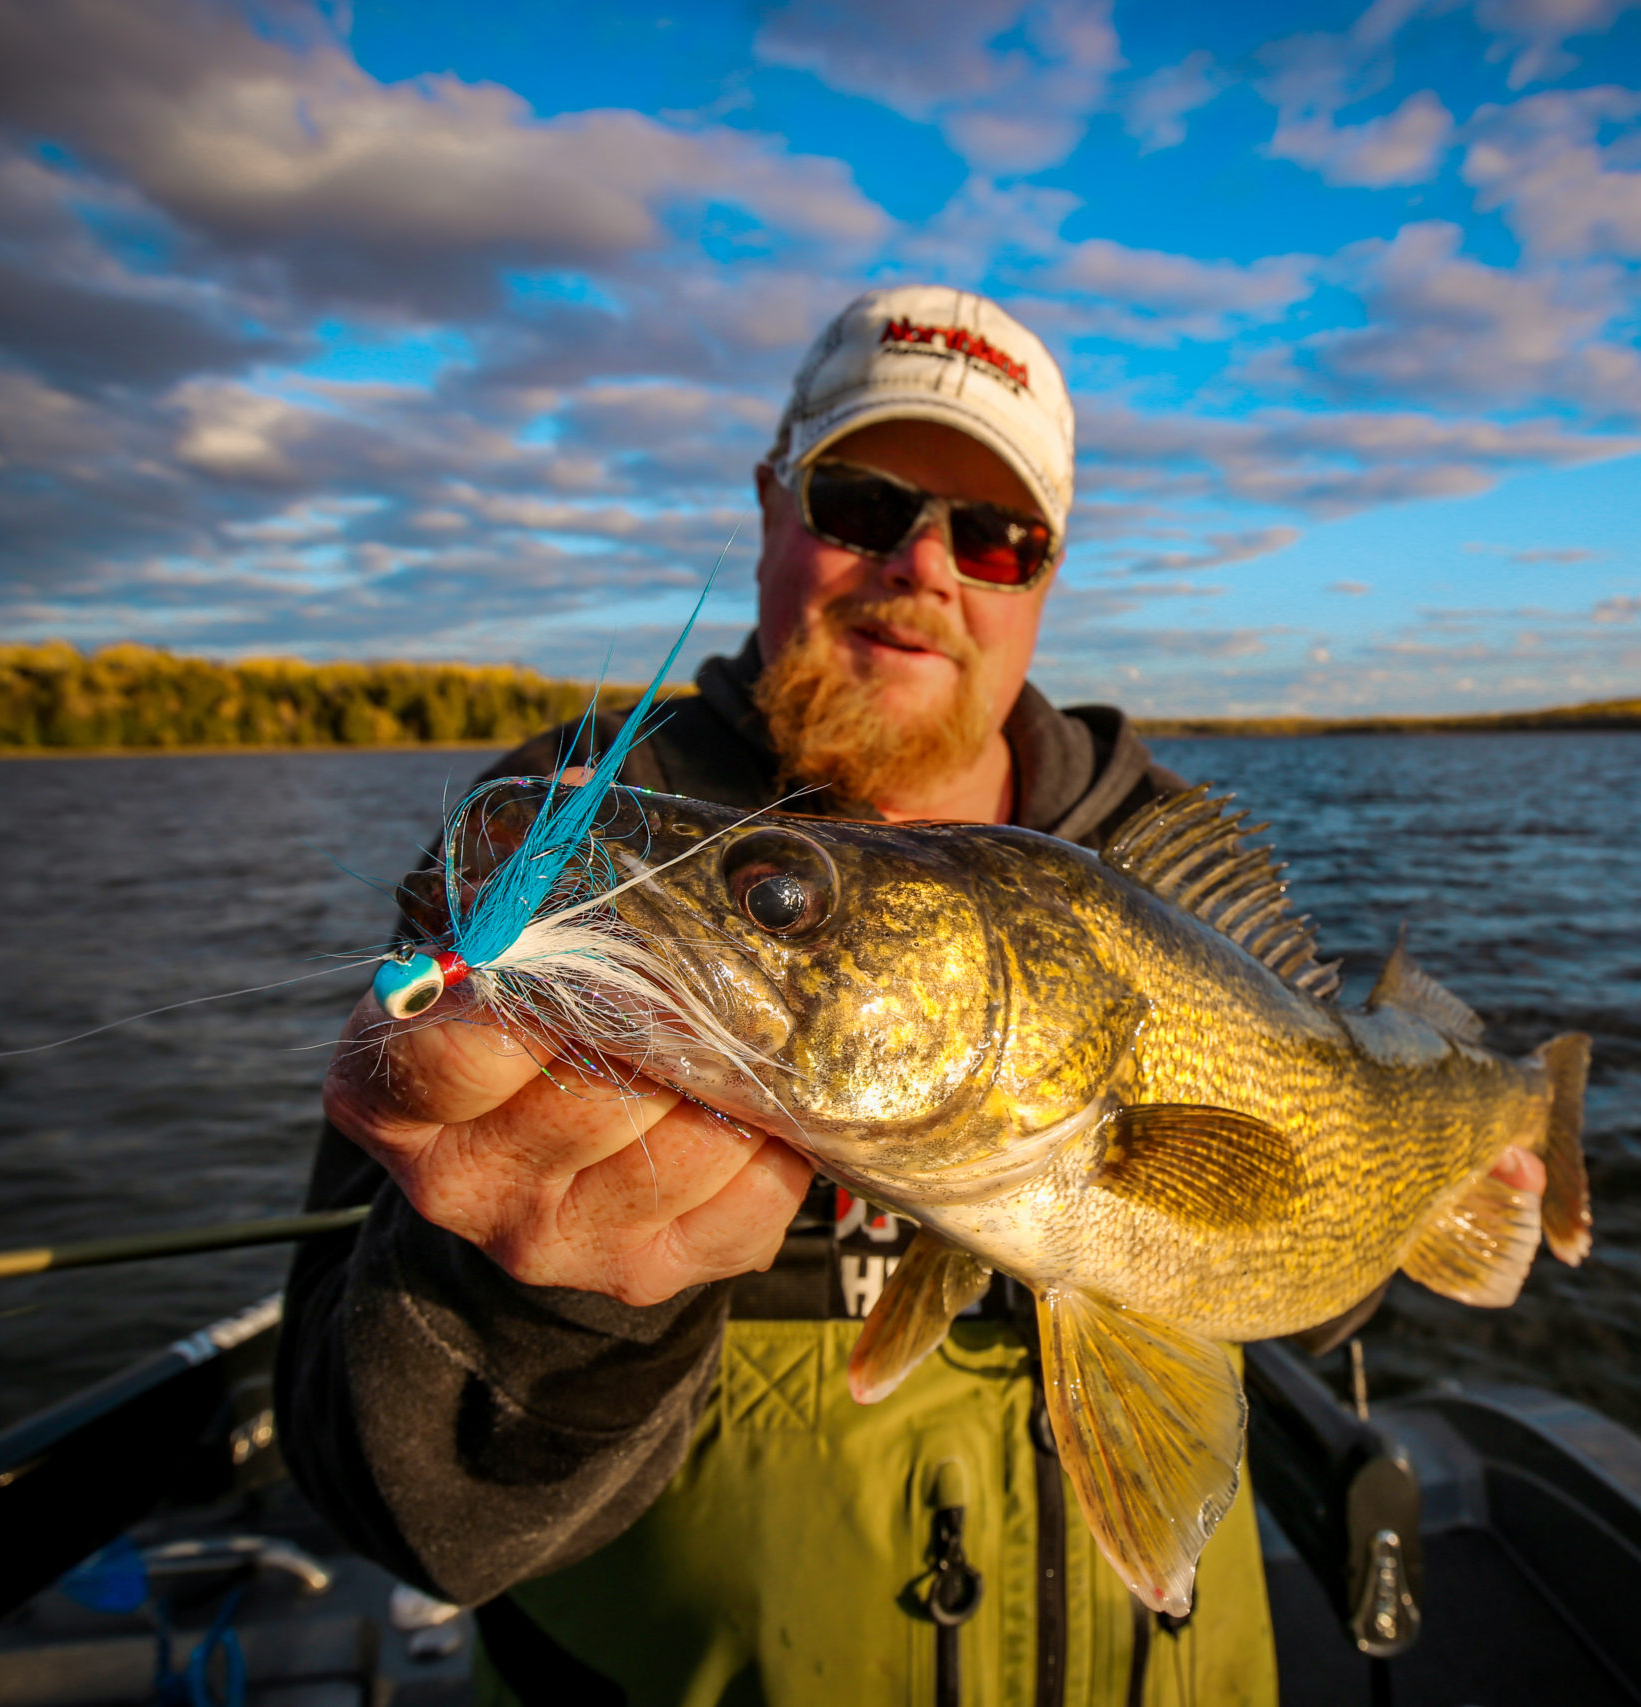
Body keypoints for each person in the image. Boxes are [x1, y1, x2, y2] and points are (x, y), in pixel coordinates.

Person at [277, 287, 1289, 1705]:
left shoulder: (1176, 890)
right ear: (770, 503)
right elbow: (403, 1519)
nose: (928, 568)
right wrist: (526, 1301)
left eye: (997, 538)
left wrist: (1433, 1196)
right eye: (865, 501)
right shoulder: (568, 850)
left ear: (1041, 584)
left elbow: (1328, 1266)